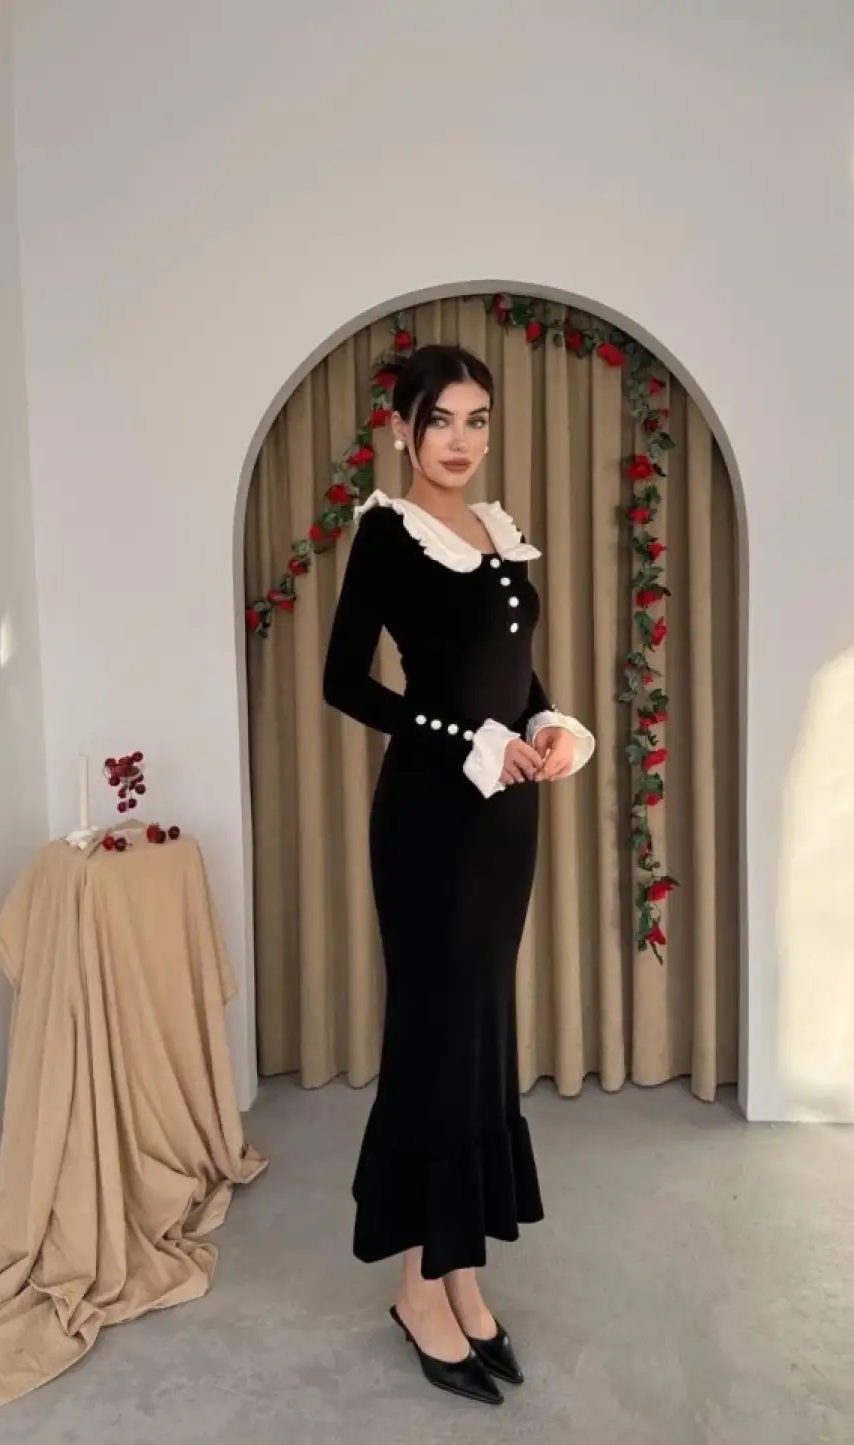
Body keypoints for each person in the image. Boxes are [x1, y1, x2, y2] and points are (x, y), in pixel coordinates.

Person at [322, 343, 595, 1406]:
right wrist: (467, 738)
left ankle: (461, 1268)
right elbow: (347, 682)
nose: (460, 439)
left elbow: (513, 672)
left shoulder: (496, 530)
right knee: (435, 1041)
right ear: (401, 427)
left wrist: (548, 722)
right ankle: (415, 1286)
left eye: (476, 419)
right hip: (432, 818)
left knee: (480, 1039)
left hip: (507, 816)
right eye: (439, 419)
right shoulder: (388, 533)